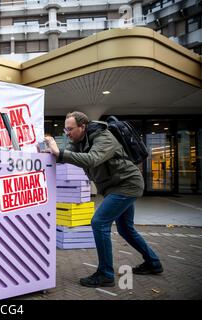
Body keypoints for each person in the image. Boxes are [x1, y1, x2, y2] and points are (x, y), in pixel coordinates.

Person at [45, 111, 163, 288]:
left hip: (127, 185)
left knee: (99, 223)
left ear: (82, 127)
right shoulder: (80, 141)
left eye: (70, 129)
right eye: (65, 129)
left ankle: (105, 274)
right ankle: (153, 263)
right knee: (125, 229)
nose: (66, 133)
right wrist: (48, 153)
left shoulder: (103, 136)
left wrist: (59, 153)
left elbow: (92, 159)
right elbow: (66, 155)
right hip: (114, 187)